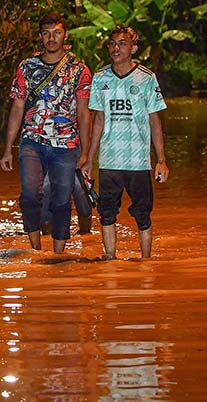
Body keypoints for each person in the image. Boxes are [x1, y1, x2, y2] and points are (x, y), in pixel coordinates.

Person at [0, 12, 91, 253]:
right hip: (32, 141)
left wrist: (87, 152)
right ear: (40, 37)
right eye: (47, 33)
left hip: (67, 144)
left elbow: (83, 112)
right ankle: (36, 251)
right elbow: (17, 107)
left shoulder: (79, 69)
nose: (52, 38)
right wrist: (8, 148)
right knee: (30, 195)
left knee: (62, 199)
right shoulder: (27, 67)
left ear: (65, 35)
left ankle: (58, 255)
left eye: (57, 32)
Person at [82, 26, 169, 259]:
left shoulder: (147, 78)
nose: (116, 48)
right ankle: (110, 260)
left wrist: (161, 160)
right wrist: (89, 159)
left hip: (138, 161)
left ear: (134, 47)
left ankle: (146, 262)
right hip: (109, 160)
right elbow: (98, 120)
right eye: (112, 43)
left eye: (122, 43)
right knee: (106, 213)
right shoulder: (100, 78)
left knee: (142, 213)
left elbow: (154, 120)